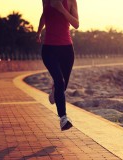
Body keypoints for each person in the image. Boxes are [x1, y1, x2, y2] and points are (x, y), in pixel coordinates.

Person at [36, 0, 79, 131]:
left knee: (63, 84)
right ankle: (63, 118)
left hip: (66, 50)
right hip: (49, 49)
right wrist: (38, 32)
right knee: (59, 81)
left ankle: (55, 90)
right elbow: (44, 15)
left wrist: (61, 9)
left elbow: (76, 24)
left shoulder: (71, 1)